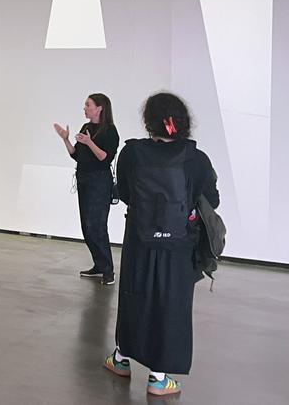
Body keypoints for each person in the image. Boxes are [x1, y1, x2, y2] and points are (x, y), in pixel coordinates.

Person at [103, 92, 220, 397]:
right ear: (183, 121)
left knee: (133, 296)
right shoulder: (197, 159)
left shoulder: (131, 153)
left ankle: (121, 359)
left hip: (139, 240)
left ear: (148, 121)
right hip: (179, 246)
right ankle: (158, 378)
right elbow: (212, 200)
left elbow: (125, 193)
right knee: (171, 304)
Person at [53, 93, 120, 285]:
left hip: (99, 182)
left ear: (99, 108)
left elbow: (104, 158)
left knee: (96, 226)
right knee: (87, 226)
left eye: (88, 105)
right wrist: (66, 139)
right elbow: (76, 154)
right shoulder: (86, 127)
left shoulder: (110, 131)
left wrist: (89, 142)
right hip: (84, 180)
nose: (85, 108)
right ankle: (99, 265)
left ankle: (108, 270)